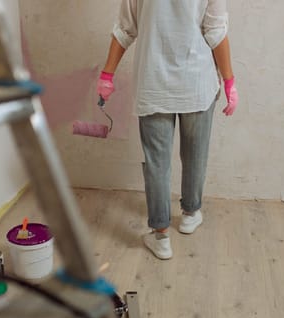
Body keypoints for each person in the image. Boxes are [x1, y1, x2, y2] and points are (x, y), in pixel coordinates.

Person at [97, 0, 238, 260]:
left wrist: (107, 74)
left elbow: (125, 29)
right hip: (196, 82)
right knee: (196, 153)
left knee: (156, 163)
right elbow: (215, 31)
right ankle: (191, 214)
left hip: (154, 83)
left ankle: (161, 236)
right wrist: (230, 82)